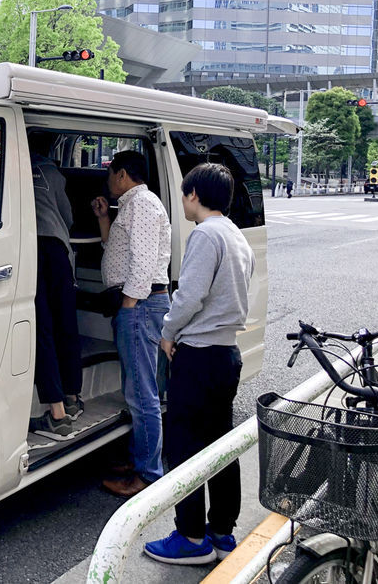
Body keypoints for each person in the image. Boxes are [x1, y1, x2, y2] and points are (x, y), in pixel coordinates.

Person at [143, 162, 255, 566]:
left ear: (193, 195)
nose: (184, 201)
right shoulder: (236, 235)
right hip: (226, 354)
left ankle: (190, 537)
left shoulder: (205, 234)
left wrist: (167, 332)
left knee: (185, 446)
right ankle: (222, 531)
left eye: (185, 194)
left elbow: (189, 296)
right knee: (220, 445)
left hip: (199, 354)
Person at [91, 151, 171, 497]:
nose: (108, 181)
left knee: (142, 395)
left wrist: (129, 302)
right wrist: (103, 220)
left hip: (141, 305)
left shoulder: (142, 204)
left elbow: (143, 259)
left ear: (122, 174)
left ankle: (149, 474)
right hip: (140, 303)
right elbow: (121, 252)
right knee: (137, 389)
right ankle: (142, 459)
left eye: (110, 174)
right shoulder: (133, 204)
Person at [28, 133, 83, 440]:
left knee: (42, 328)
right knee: (66, 322)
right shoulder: (52, 172)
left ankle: (56, 413)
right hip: (58, 251)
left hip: (29, 250)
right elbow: (68, 217)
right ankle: (73, 398)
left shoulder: (14, 167)